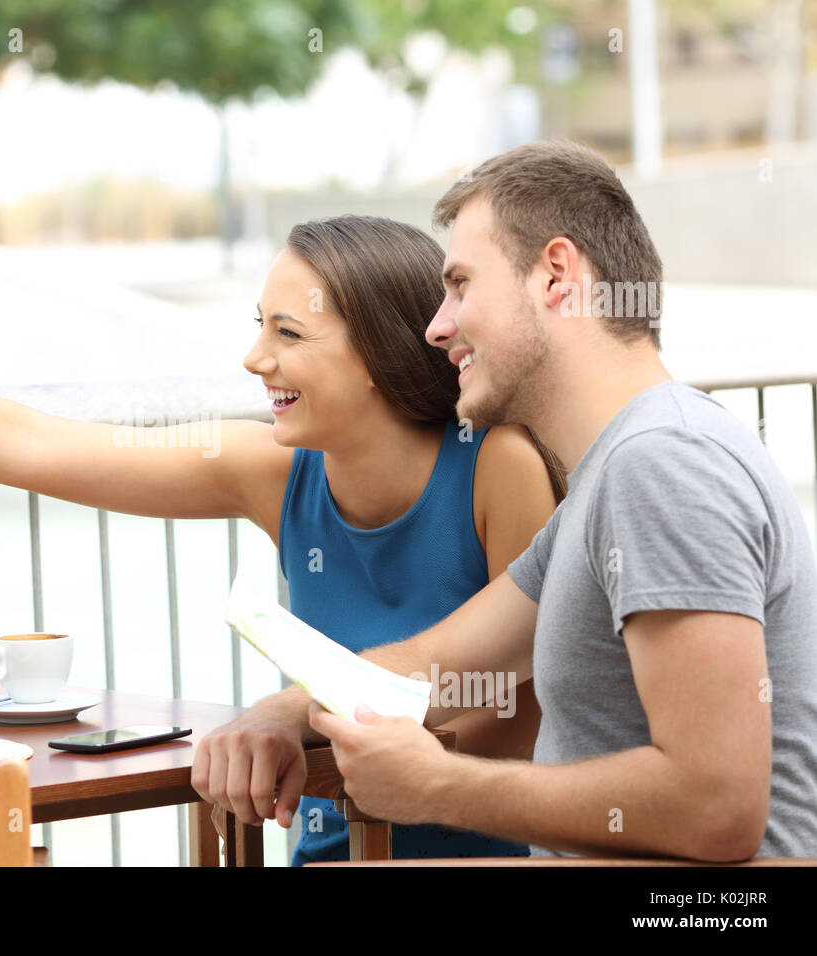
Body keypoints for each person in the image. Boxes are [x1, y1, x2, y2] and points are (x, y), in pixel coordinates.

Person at [0, 214, 561, 864]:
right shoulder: (273, 473)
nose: (253, 359)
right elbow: (33, 443)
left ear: (380, 354)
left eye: (287, 333)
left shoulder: (497, 467)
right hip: (328, 849)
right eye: (256, 328)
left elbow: (509, 719)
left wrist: (284, 714)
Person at [196, 141, 817, 860]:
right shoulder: (613, 474)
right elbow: (435, 667)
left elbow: (716, 807)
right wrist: (281, 713)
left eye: (460, 285)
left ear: (556, 275)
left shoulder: (661, 464)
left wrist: (438, 786)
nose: (436, 326)